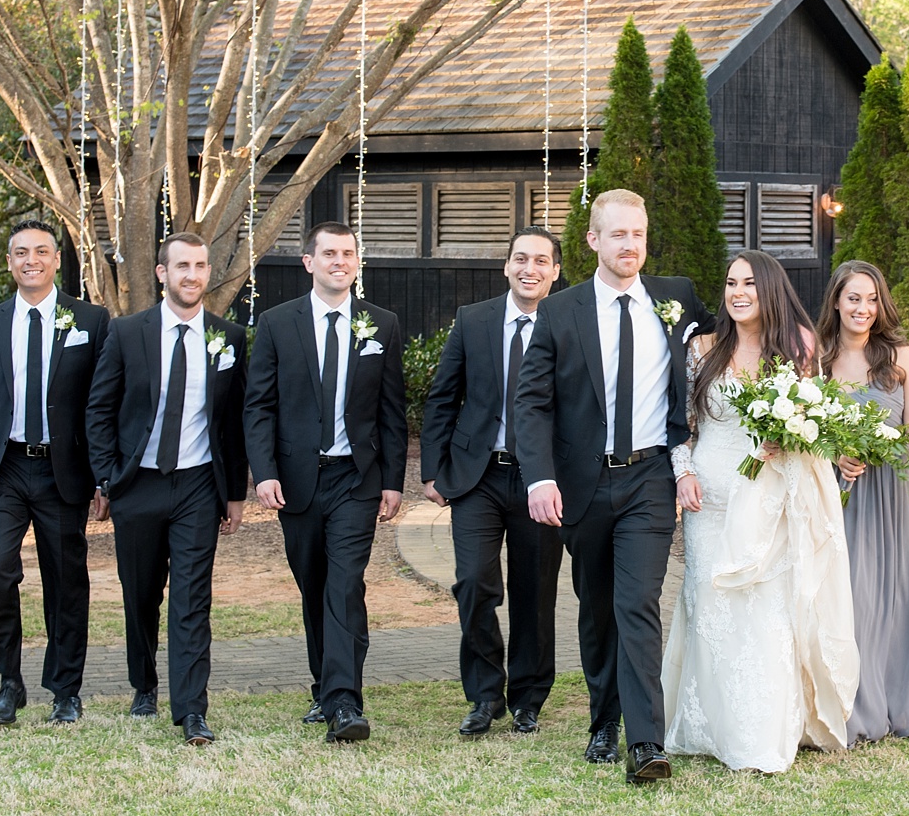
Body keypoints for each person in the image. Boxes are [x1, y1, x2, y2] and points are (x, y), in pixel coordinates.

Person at [512, 189, 711, 784]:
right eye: (618, 234)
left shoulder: (677, 299)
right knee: (598, 608)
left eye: (639, 234)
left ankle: (646, 742)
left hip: (651, 478)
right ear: (594, 240)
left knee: (637, 605)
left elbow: (737, 343)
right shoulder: (561, 310)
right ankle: (603, 719)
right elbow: (532, 402)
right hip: (582, 483)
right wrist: (540, 477)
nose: (631, 245)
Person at [663, 250, 859, 772]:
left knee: (766, 610)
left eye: (749, 283)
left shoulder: (797, 345)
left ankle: (762, 731)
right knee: (709, 604)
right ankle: (706, 725)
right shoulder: (700, 346)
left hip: (769, 492)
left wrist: (787, 440)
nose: (738, 292)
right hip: (709, 493)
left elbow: (811, 418)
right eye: (730, 283)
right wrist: (682, 472)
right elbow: (682, 424)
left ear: (768, 288)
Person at [244, 221, 408, 743]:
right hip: (296, 481)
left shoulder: (381, 324)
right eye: (330, 253)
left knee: (344, 584)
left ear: (357, 263)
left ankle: (344, 702)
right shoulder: (276, 323)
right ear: (308, 262)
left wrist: (393, 480)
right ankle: (324, 687)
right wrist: (264, 472)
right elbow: (259, 406)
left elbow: (391, 410)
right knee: (314, 586)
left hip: (356, 480)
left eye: (349, 254)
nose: (341, 261)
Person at [86, 232, 249, 744]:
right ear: (162, 273)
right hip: (138, 484)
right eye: (182, 266)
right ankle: (143, 683)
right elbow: (99, 410)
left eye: (200, 266)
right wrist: (106, 477)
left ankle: (192, 709)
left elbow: (235, 423)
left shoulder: (229, 338)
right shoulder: (128, 332)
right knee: (140, 595)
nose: (192, 275)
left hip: (199, 484)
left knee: (191, 599)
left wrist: (235, 493)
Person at [0, 218, 110, 727]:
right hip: (5, 469)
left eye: (41, 251)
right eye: (21, 252)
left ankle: (66, 691)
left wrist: (104, 476)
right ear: (10, 261)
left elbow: (102, 405)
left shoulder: (92, 320)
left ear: (57, 260)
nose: (31, 260)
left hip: (65, 471)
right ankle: (8, 683)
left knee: (66, 582)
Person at [420, 226, 566, 738]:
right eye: (521, 259)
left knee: (535, 591)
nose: (530, 269)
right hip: (477, 477)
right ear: (506, 266)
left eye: (541, 261)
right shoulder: (473, 320)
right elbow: (442, 397)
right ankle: (484, 694)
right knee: (474, 584)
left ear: (555, 271)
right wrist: (434, 469)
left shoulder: (568, 322)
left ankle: (527, 698)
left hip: (541, 482)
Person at [818, 260, 909, 743]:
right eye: (854, 298)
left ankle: (899, 705)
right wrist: (836, 453)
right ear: (836, 301)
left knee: (901, 595)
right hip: (843, 493)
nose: (863, 308)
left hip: (897, 489)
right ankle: (856, 710)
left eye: (871, 299)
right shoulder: (819, 357)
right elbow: (805, 425)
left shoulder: (899, 354)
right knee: (855, 598)